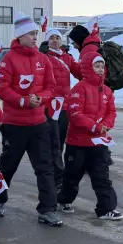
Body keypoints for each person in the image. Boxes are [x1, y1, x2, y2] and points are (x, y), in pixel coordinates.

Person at [0, 12, 63, 227]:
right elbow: (1, 88)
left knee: (45, 167)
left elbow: (51, 87)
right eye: (31, 34)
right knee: (7, 166)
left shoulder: (43, 59)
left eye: (35, 33)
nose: (35, 37)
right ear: (20, 36)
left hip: (39, 124)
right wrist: (23, 101)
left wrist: (41, 98)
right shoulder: (8, 59)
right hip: (14, 125)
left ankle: (47, 209)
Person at [58, 54, 123, 220]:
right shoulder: (79, 89)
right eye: (97, 66)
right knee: (72, 176)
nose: (100, 70)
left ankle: (106, 209)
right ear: (88, 68)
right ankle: (64, 200)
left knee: (102, 177)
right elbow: (75, 114)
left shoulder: (107, 90)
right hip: (78, 144)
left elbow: (111, 112)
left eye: (102, 66)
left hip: (99, 143)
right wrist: (94, 126)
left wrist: (106, 124)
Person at [43, 28, 75, 189]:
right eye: (52, 38)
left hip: (65, 106)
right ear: (47, 41)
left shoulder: (67, 58)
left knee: (61, 140)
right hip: (50, 106)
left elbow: (81, 72)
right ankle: (57, 177)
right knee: (54, 141)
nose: (55, 40)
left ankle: (55, 171)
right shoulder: (44, 57)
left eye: (57, 38)